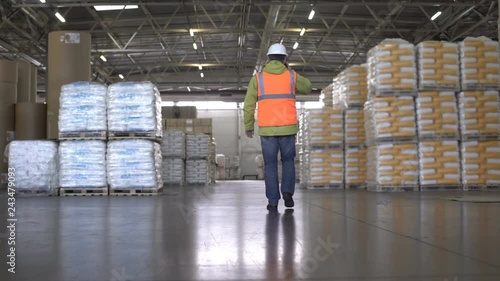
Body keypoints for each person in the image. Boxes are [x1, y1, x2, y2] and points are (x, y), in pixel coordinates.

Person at [243, 43, 312, 211]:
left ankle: (273, 201)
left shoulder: (258, 78)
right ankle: (287, 192)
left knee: (270, 164)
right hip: (288, 128)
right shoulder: (291, 76)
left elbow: (249, 104)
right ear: (285, 59)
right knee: (288, 161)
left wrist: (249, 125)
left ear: (268, 58)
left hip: (267, 129)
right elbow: (308, 88)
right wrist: (290, 71)